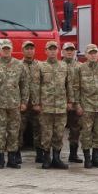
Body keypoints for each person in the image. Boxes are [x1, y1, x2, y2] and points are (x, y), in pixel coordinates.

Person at [0, 40, 28, 169]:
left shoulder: (19, 65)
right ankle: (0, 159)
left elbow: (24, 84)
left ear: (12, 49)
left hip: (15, 104)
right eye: (4, 49)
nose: (6, 51)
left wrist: (24, 102)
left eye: (8, 49)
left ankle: (12, 159)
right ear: (0, 50)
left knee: (14, 132)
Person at [72, 44, 98, 169]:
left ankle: (96, 158)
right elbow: (76, 88)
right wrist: (77, 105)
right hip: (86, 107)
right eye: (90, 53)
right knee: (86, 133)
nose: (93, 55)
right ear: (86, 55)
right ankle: (87, 158)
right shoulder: (80, 69)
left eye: (95, 53)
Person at [32, 41, 71, 170]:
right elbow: (36, 85)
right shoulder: (40, 66)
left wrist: (70, 101)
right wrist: (36, 103)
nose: (53, 51)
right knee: (46, 133)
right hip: (46, 106)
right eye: (50, 49)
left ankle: (57, 158)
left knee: (59, 134)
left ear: (58, 51)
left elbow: (69, 85)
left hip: (61, 106)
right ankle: (47, 158)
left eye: (55, 49)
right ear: (46, 51)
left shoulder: (64, 66)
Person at [61, 43, 83, 163]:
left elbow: (83, 86)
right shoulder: (58, 66)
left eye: (71, 50)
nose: (69, 52)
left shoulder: (80, 66)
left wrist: (79, 104)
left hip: (76, 103)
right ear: (62, 52)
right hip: (60, 104)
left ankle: (73, 154)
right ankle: (56, 155)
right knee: (58, 129)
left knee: (75, 130)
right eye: (67, 50)